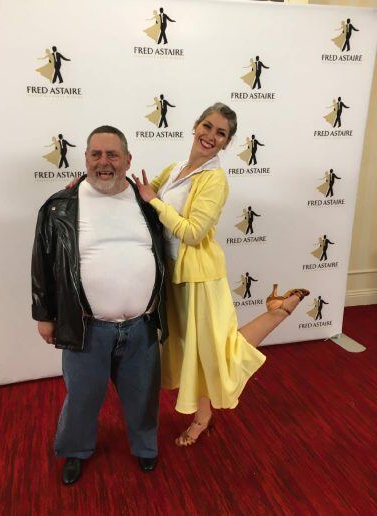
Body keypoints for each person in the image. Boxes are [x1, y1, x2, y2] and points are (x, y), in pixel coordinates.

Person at [132, 103, 309, 446]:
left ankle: (203, 417)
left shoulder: (215, 179)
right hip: (174, 277)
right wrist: (88, 187)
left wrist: (155, 202)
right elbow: (139, 196)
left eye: (221, 133)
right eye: (208, 127)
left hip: (201, 279)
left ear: (227, 143)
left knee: (211, 353)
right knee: (195, 352)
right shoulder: (174, 168)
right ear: (195, 126)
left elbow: (193, 232)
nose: (211, 136)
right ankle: (277, 310)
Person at [31, 126, 167, 485]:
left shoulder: (148, 204)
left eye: (112, 155)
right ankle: (74, 451)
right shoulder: (60, 205)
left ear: (128, 160)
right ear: (86, 158)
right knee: (82, 398)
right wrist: (44, 316)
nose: (104, 163)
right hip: (86, 327)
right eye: (96, 154)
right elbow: (42, 264)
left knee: (143, 396)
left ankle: (145, 448)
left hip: (141, 326)